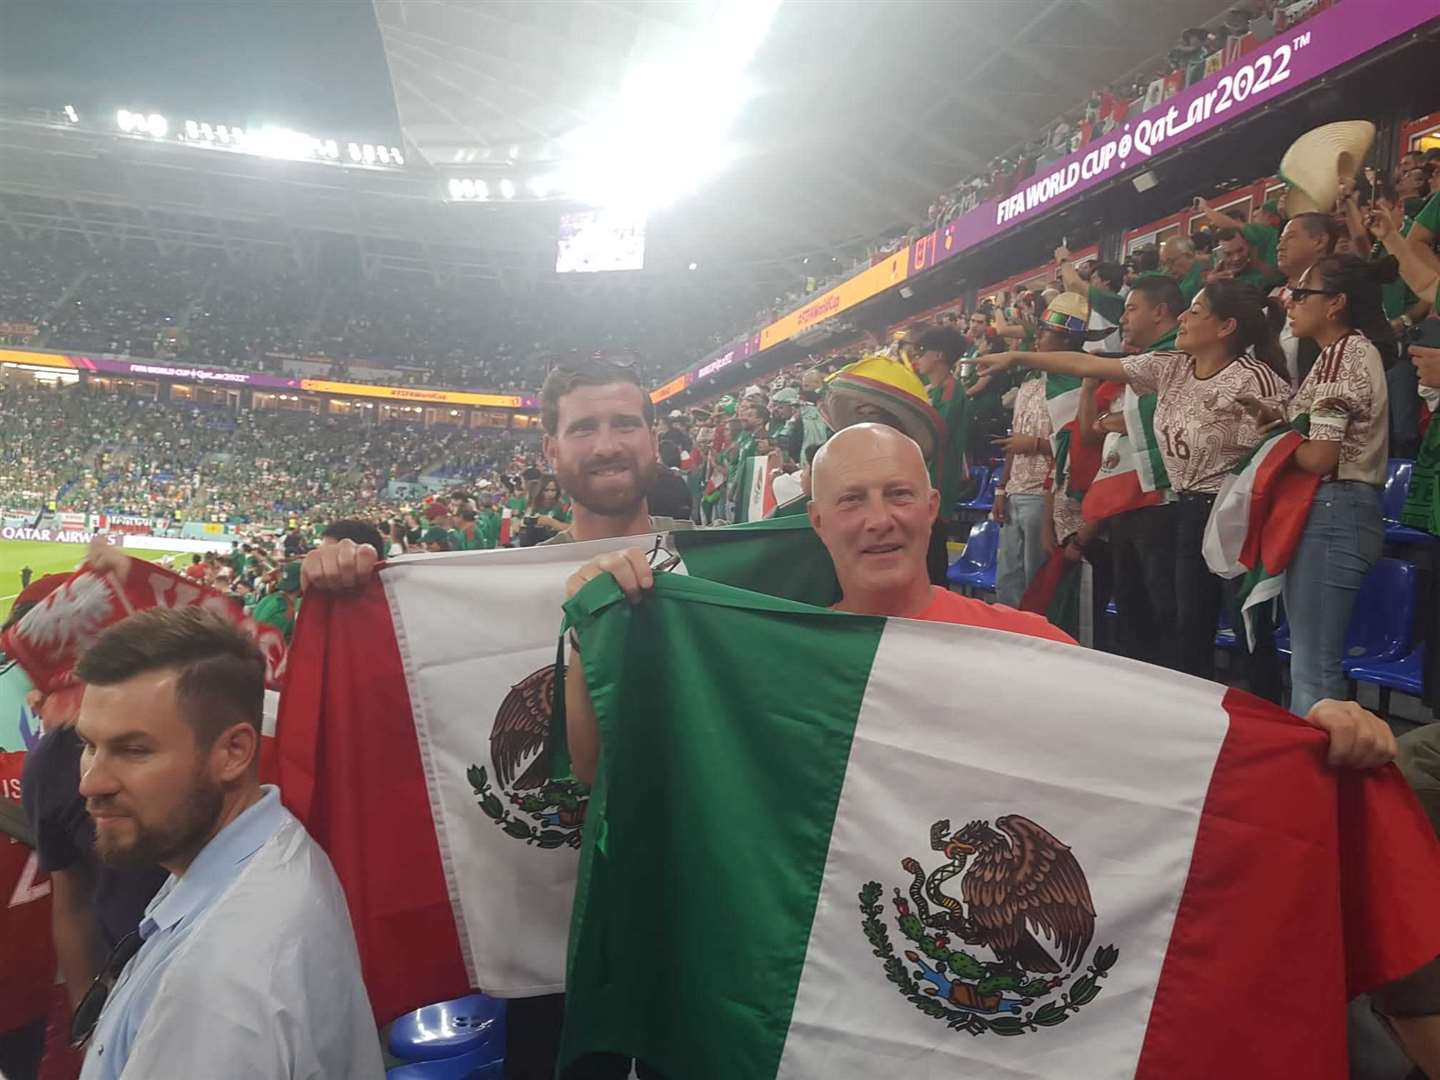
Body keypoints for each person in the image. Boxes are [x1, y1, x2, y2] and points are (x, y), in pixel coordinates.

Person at [564, 422, 1393, 783]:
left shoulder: (1029, 646)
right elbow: (614, 772)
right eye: (851, 502)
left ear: (932, 510)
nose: (879, 518)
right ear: (817, 523)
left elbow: (1161, 749)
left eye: (898, 495)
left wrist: (1303, 739)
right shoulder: (772, 661)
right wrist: (587, 635)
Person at [301, 356, 690, 1080]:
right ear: (550, 450)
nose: (607, 443)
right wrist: (345, 579)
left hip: (693, 929)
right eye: (584, 428)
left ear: (654, 439)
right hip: (552, 946)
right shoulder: (495, 592)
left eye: (624, 423)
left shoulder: (715, 568)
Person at [72, 607, 382, 1079]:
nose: (91, 783)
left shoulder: (216, 985)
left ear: (233, 752)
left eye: (133, 750)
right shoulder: (264, 849)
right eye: (89, 745)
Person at [980, 281, 1291, 682]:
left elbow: (1286, 446)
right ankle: (1192, 717)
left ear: (1226, 326)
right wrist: (1019, 356)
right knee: (1187, 628)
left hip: (1239, 514)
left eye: (1195, 312)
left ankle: (1263, 719)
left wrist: (1273, 427)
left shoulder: (1257, 379)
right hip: (1185, 510)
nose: (1183, 318)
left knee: (1249, 629)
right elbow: (1087, 365)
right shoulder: (1171, 366)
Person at [1242, 256, 1393, 716]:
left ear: (1336, 304)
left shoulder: (1342, 358)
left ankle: (1318, 782)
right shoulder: (1338, 354)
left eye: (1303, 293)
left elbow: (1320, 455)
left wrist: (1276, 434)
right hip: (1333, 509)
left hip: (1334, 510)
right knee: (1312, 665)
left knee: (1314, 670)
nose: (1291, 301)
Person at [1084, 275, 1183, 667]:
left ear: (1159, 312)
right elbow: (1096, 426)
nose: (1124, 318)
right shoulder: (1140, 362)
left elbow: (1163, 415)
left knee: (1160, 608)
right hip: (1128, 500)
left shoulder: (1175, 354)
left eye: (1131, 308)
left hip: (1161, 499)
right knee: (1130, 603)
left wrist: (1116, 421)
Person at [911, 325, 970, 585]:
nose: (917, 358)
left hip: (937, 484)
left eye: (922, 352)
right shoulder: (930, 391)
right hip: (921, 482)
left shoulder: (951, 391)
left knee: (933, 559)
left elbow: (934, 435)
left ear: (940, 356)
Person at [1271, 212, 1340, 384]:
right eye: (1280, 240)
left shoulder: (1339, 294)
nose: (1280, 247)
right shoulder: (1269, 295)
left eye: (1290, 238)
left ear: (1319, 241)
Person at [1160, 235, 1208, 305]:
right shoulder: (1167, 276)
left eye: (1171, 261)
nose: (1168, 268)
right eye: (1165, 263)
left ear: (1189, 256)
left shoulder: (1204, 272)